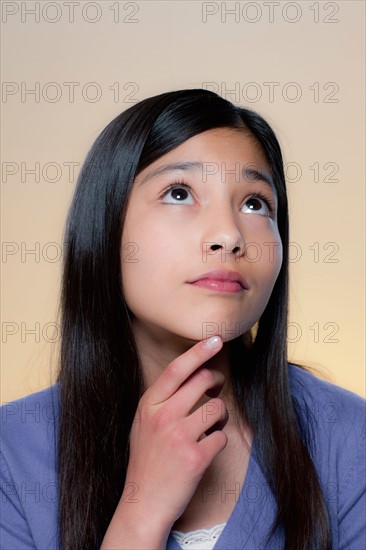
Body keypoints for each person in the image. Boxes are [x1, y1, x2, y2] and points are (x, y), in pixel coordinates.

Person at [1, 89, 365, 550]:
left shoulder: (349, 437)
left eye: (255, 203)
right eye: (179, 193)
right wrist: (142, 511)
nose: (229, 236)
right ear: (105, 228)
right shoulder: (12, 455)